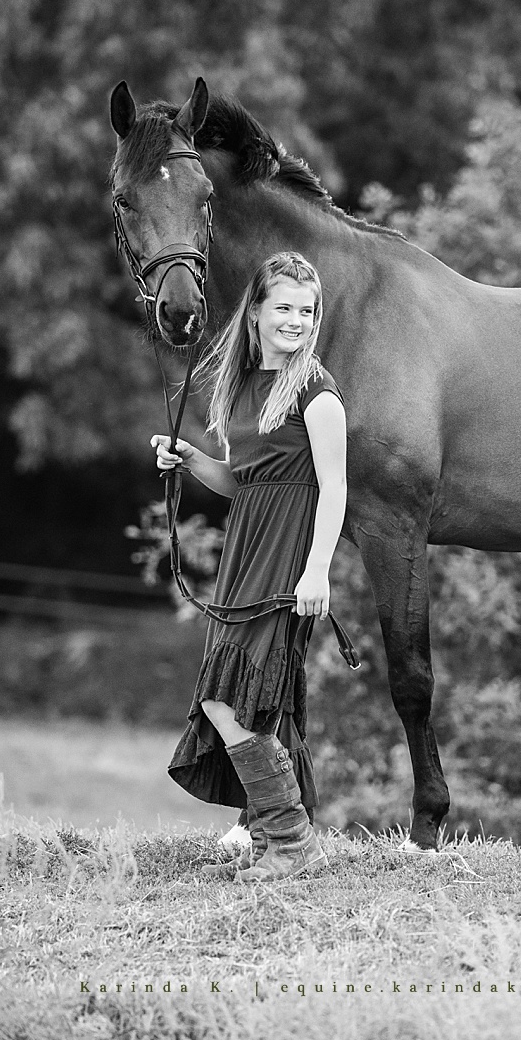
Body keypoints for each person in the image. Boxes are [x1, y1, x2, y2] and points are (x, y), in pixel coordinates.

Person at [152, 251, 346, 883]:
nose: (297, 320)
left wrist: (316, 571)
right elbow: (244, 484)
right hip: (247, 549)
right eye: (284, 307)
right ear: (256, 312)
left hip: (287, 557)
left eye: (307, 310)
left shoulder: (317, 396)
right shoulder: (243, 389)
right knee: (244, 699)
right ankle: (275, 838)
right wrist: (189, 460)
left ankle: (290, 839)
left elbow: (335, 490)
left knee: (228, 698)